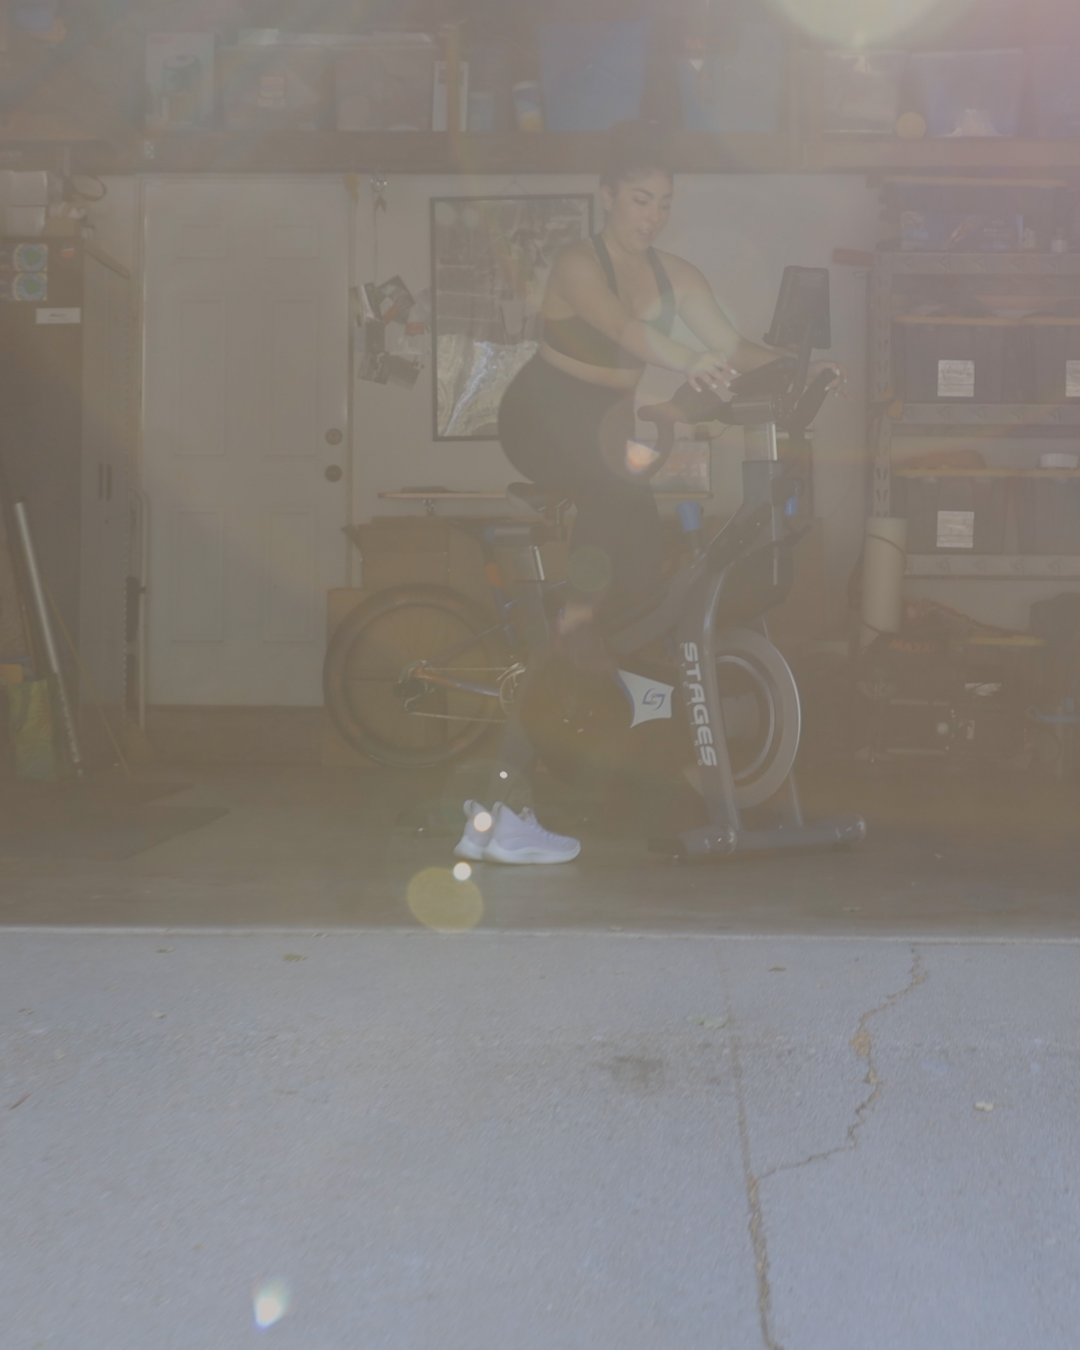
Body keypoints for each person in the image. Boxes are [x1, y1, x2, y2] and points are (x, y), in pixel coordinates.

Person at [455, 120, 841, 865]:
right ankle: (574, 623)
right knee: (617, 489)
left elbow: (734, 348)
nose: (652, 214)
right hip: (542, 415)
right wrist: (688, 359)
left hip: (603, 427)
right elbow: (630, 332)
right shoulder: (577, 262)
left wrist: (805, 369)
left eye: (663, 202)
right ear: (606, 198)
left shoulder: (677, 273)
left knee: (638, 575)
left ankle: (595, 691)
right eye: (640, 199)